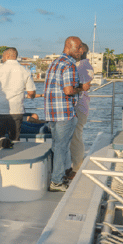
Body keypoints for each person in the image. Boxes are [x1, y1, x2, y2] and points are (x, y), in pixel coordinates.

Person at [44, 36, 85, 192]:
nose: (81, 50)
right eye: (79, 47)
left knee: (56, 146)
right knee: (61, 147)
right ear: (70, 46)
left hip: (52, 113)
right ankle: (56, 182)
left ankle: (56, 176)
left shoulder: (54, 63)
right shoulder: (69, 65)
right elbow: (68, 90)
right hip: (64, 113)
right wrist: (82, 88)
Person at [0, 47, 37, 146]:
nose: (2, 59)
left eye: (3, 56)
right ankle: (15, 158)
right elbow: (31, 92)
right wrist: (32, 96)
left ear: (8, 56)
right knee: (15, 140)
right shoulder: (24, 71)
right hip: (16, 111)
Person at [69, 43, 94, 180]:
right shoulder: (85, 65)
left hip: (79, 105)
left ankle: (76, 169)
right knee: (76, 136)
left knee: (76, 138)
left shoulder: (82, 66)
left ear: (81, 51)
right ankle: (74, 166)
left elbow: (82, 87)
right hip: (82, 105)